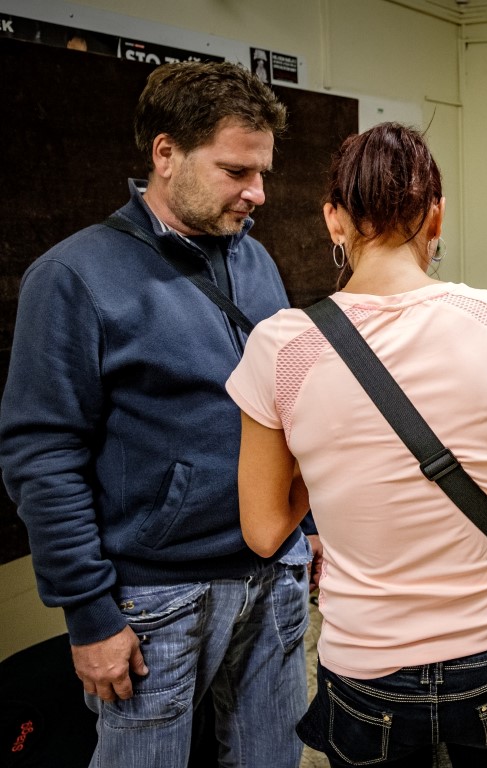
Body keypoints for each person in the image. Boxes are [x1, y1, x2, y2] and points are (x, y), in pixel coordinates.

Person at [0, 61, 310, 767]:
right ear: (165, 154)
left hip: (275, 575)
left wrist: (309, 525)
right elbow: (41, 458)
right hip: (157, 598)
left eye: (262, 172)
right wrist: (89, 614)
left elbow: (286, 406)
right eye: (236, 171)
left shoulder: (257, 260)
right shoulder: (71, 277)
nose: (257, 193)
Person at [228, 122, 487, 767]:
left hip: (367, 664)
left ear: (333, 220)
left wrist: (327, 461)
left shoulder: (280, 348)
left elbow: (265, 532)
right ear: (436, 216)